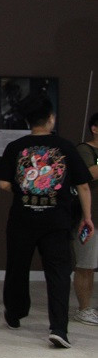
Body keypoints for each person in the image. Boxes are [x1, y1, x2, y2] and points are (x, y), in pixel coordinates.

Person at [0, 95, 93, 348]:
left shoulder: (15, 147)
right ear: (51, 118)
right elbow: (83, 186)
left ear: (29, 120)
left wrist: (26, 189)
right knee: (58, 273)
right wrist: (87, 218)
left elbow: (3, 183)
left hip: (22, 220)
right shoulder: (65, 147)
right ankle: (59, 328)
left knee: (17, 268)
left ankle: (15, 313)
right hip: (56, 221)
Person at [71, 112, 98, 324]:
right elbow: (91, 173)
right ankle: (84, 308)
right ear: (94, 129)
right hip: (89, 217)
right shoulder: (84, 149)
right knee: (86, 264)